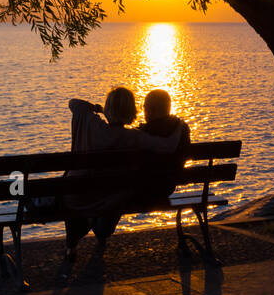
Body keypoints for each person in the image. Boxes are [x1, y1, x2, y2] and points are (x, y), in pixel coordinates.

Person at [61, 87, 183, 270]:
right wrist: (179, 126)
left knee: (77, 189)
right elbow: (167, 146)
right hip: (110, 200)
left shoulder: (92, 126)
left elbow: (74, 103)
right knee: (116, 193)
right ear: (132, 111)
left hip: (79, 198)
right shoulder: (136, 137)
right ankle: (101, 232)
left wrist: (98, 109)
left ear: (108, 109)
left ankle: (72, 245)